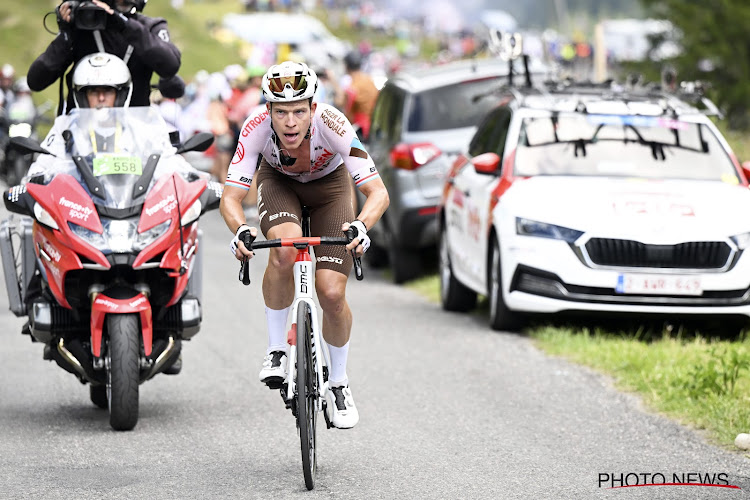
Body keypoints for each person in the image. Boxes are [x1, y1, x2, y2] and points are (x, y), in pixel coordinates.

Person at [219, 61, 389, 429]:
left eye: (299, 111)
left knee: (330, 292)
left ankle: (339, 383)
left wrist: (360, 225)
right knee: (284, 248)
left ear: (313, 108)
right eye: (281, 112)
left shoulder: (335, 124)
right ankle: (277, 349)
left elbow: (377, 192)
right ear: (269, 112)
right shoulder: (254, 130)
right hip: (280, 185)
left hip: (332, 191)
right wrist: (239, 230)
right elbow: (231, 198)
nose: (291, 122)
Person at [27, 0, 181, 114]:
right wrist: (66, 35)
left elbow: (170, 64)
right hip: (81, 135)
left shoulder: (149, 27)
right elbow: (36, 80)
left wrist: (125, 25)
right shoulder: (84, 28)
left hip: (135, 137)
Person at [338, 51, 379, 141]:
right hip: (371, 125)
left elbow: (343, 105)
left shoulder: (353, 86)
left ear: (347, 66)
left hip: (358, 129)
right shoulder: (369, 80)